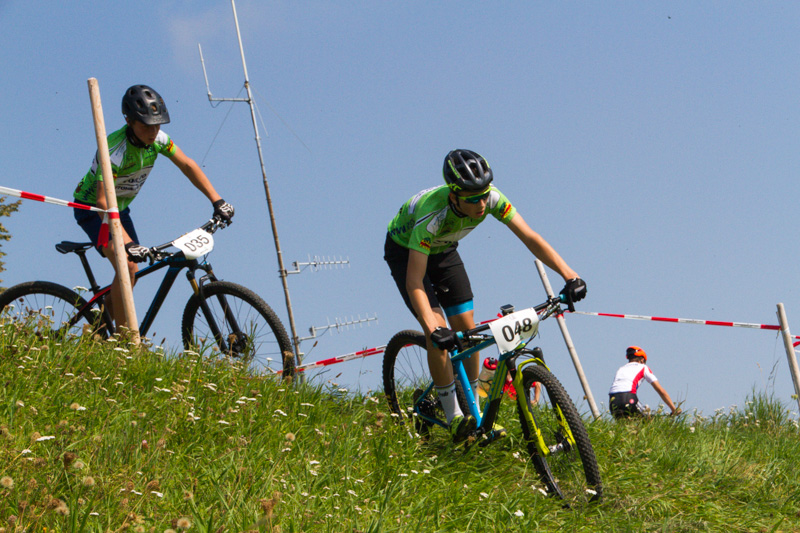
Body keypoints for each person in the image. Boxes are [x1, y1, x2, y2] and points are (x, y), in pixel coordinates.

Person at [384, 149, 586, 442]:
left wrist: (570, 275)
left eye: (483, 196)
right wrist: (432, 326)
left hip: (444, 248)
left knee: (468, 330)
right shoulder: (433, 213)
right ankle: (454, 418)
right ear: (454, 196)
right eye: (472, 199)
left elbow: (530, 237)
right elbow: (414, 280)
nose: (481, 204)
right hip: (406, 251)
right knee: (437, 331)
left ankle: (474, 412)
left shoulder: (491, 198)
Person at [72, 84, 234, 333]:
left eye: (157, 125)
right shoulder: (114, 150)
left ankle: (97, 330)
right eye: (147, 125)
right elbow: (103, 202)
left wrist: (217, 200)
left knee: (132, 273)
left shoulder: (158, 140)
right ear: (129, 121)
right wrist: (128, 244)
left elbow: (187, 165)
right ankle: (125, 341)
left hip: (120, 209)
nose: (153, 131)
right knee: (127, 266)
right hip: (94, 210)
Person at [608, 346, 679, 419]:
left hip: (613, 401)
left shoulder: (621, 369)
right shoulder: (643, 367)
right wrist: (674, 409)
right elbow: (661, 390)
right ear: (642, 360)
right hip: (628, 398)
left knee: (625, 424)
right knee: (650, 420)